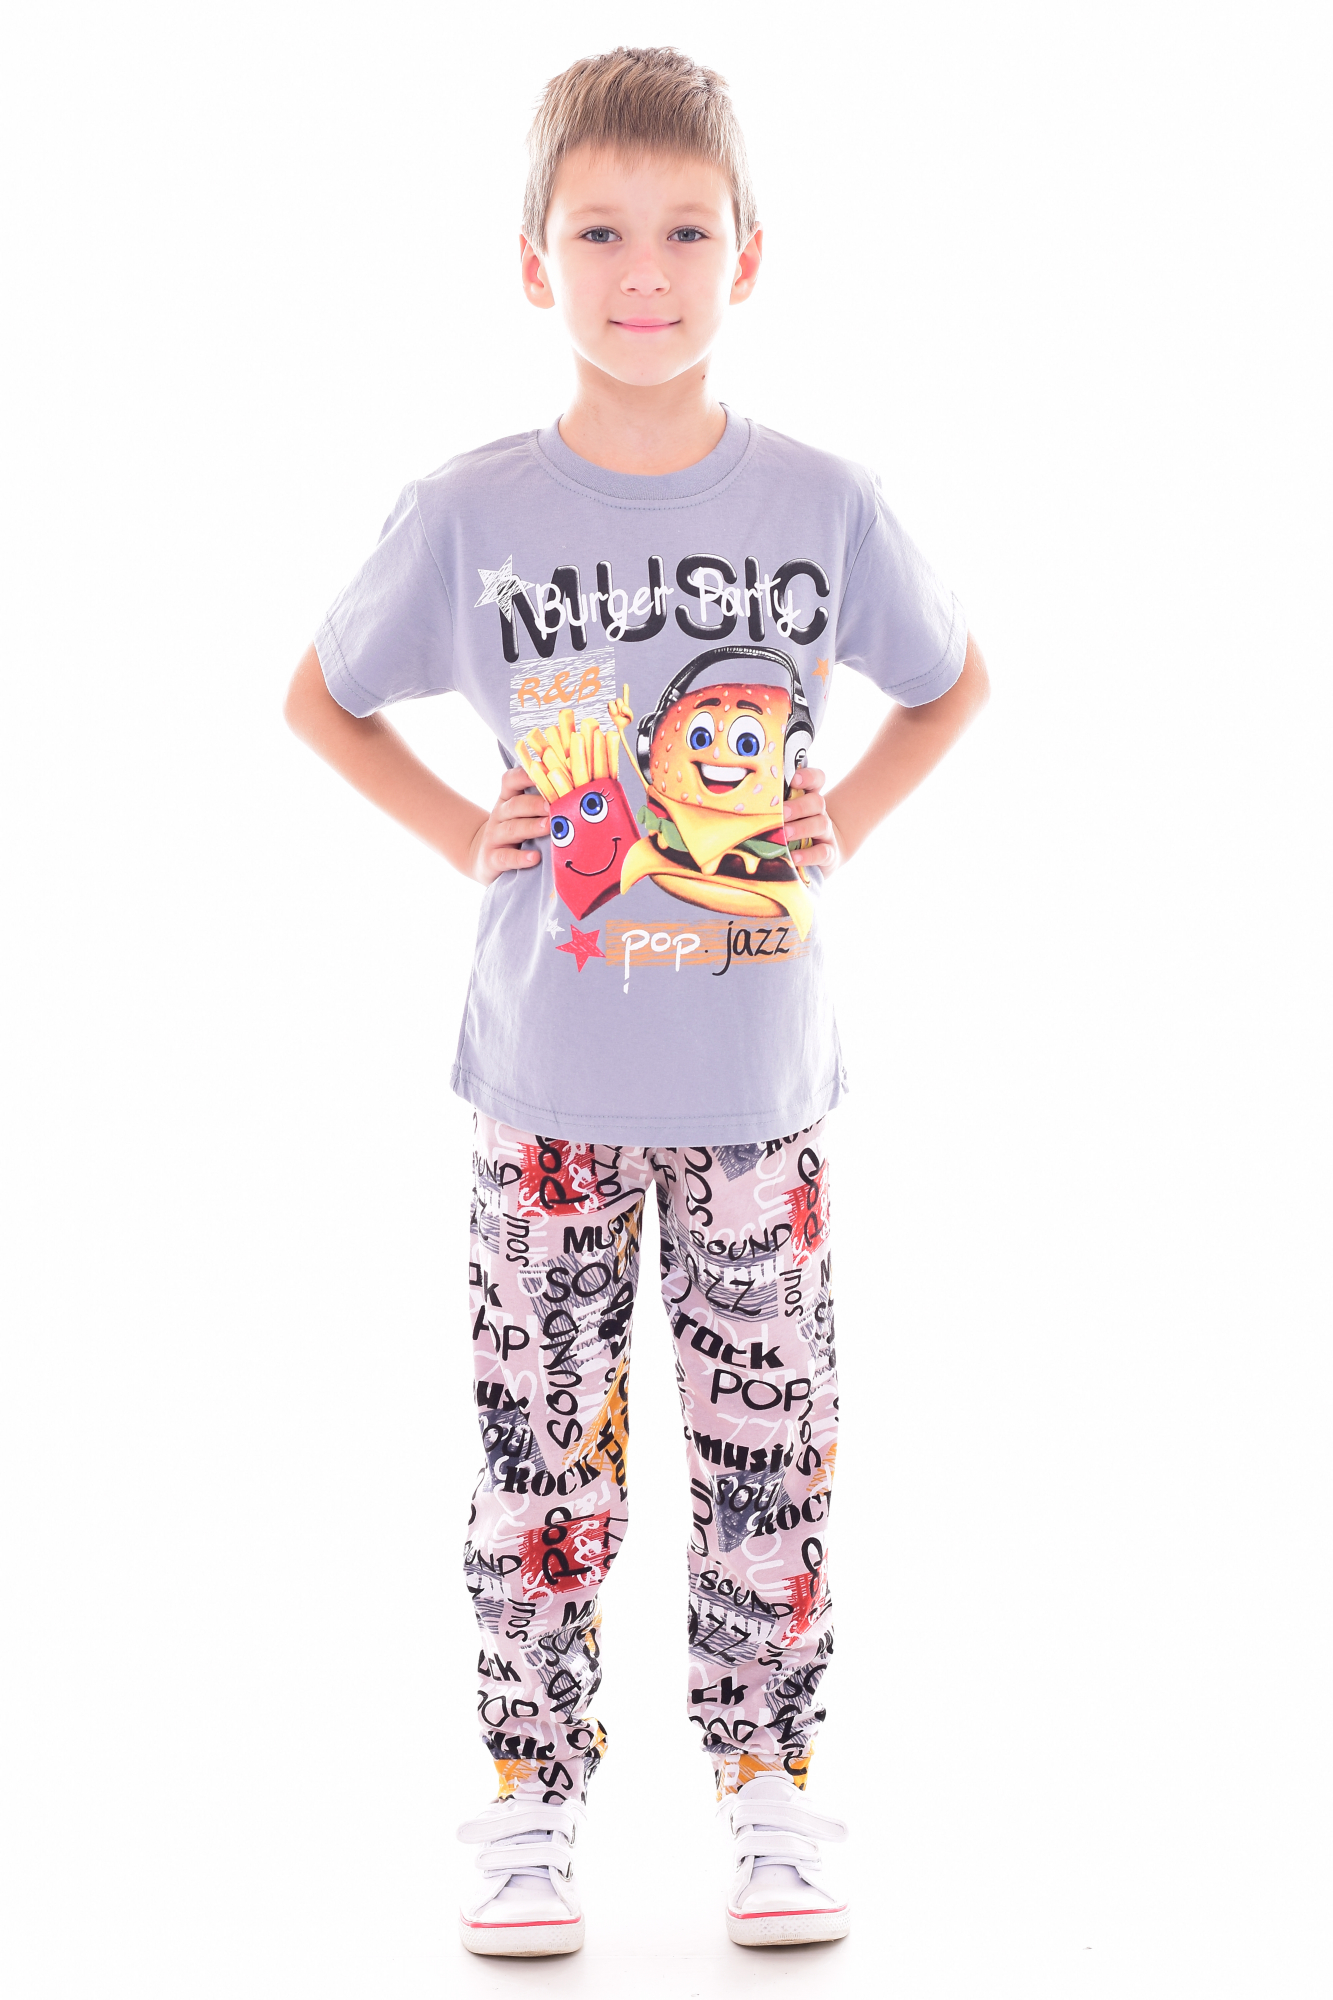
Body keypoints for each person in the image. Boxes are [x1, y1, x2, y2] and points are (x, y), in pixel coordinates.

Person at [285, 44, 989, 1959]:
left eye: (684, 230)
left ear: (749, 256)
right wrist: (466, 833)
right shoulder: (470, 509)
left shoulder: (826, 501)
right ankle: (529, 1805)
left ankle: (769, 1790)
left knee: (769, 1446)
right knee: (541, 1455)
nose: (643, 269)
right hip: (546, 1086)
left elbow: (950, 681)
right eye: (598, 232)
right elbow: (322, 697)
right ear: (534, 262)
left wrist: (848, 817)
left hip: (757, 1084)